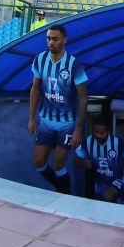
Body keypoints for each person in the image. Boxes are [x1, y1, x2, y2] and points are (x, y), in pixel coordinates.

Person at [28, 24, 88, 195]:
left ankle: (65, 194)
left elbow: (83, 98)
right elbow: (35, 88)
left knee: (58, 163)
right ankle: (60, 188)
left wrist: (78, 129)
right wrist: (32, 117)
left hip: (67, 123)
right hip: (46, 120)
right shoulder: (40, 59)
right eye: (48, 38)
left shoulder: (74, 64)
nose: (51, 42)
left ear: (64, 40)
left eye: (55, 39)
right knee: (38, 162)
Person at [75, 118, 124, 203]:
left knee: (107, 196)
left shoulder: (117, 142)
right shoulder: (87, 141)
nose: (99, 135)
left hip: (118, 179)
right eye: (96, 132)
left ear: (108, 131)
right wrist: (84, 164)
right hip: (99, 182)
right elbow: (76, 160)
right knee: (101, 204)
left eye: (102, 133)